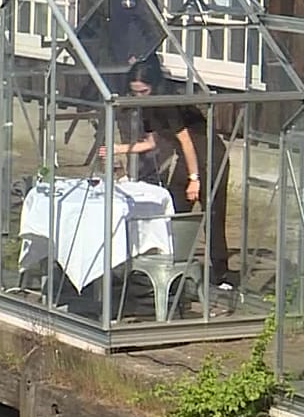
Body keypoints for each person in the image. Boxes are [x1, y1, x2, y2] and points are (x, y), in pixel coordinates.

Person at [100, 59, 233, 289]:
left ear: (154, 85)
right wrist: (118, 148)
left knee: (212, 212)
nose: (139, 96)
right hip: (187, 159)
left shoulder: (168, 102)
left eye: (144, 91)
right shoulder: (149, 106)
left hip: (209, 156)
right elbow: (151, 143)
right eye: (135, 92)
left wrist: (194, 179)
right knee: (173, 209)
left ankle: (221, 274)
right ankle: (172, 265)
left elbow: (186, 140)